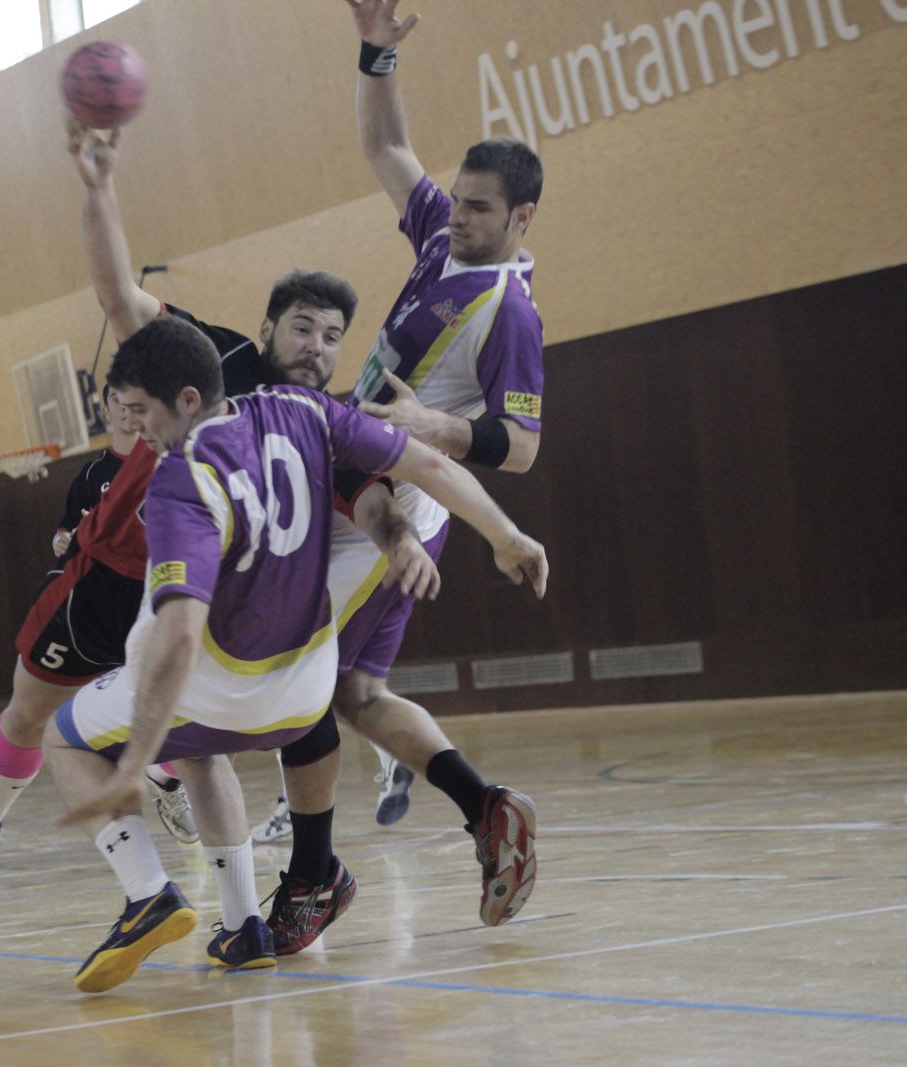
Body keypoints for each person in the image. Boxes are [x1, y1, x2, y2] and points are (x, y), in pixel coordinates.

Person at [48, 315, 548, 992]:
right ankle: (249, 922)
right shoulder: (303, 408)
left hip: (226, 690)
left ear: (189, 400)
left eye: (141, 411)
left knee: (65, 734)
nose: (136, 429)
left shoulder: (178, 480)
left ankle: (148, 893)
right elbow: (424, 462)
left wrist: (136, 760)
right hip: (308, 697)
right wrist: (507, 533)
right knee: (217, 740)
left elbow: (181, 631)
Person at [69, 123, 436, 955]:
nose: (318, 347)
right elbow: (121, 297)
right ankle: (241, 909)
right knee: (199, 747)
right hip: (187, 602)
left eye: (334, 336)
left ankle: (291, 877)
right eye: (303, 328)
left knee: (298, 700)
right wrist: (100, 189)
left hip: (249, 630)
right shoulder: (217, 357)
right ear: (268, 328)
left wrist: (400, 537)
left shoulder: (326, 423)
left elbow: (375, 498)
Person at [253, 0, 549, 931]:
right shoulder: (438, 236)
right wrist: (376, 54)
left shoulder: (510, 311)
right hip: (356, 473)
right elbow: (386, 148)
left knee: (294, 669)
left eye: (478, 208)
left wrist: (436, 424)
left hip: (394, 503)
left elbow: (525, 444)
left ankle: (312, 874)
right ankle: (487, 808)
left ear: (521, 216)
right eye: (456, 198)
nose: (456, 214)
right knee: (355, 692)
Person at [0, 379, 198, 889]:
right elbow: (69, 536)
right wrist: (69, 538)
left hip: (161, 607)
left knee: (175, 723)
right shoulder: (91, 476)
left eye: (141, 402)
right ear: (106, 408)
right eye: (122, 403)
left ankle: (169, 793)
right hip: (89, 611)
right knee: (29, 715)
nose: (131, 413)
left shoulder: (190, 459)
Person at [51, 384, 130, 560]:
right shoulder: (91, 474)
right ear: (106, 412)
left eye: (129, 397)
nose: (124, 405)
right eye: (116, 399)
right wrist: (61, 542)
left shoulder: (164, 462)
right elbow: (63, 532)